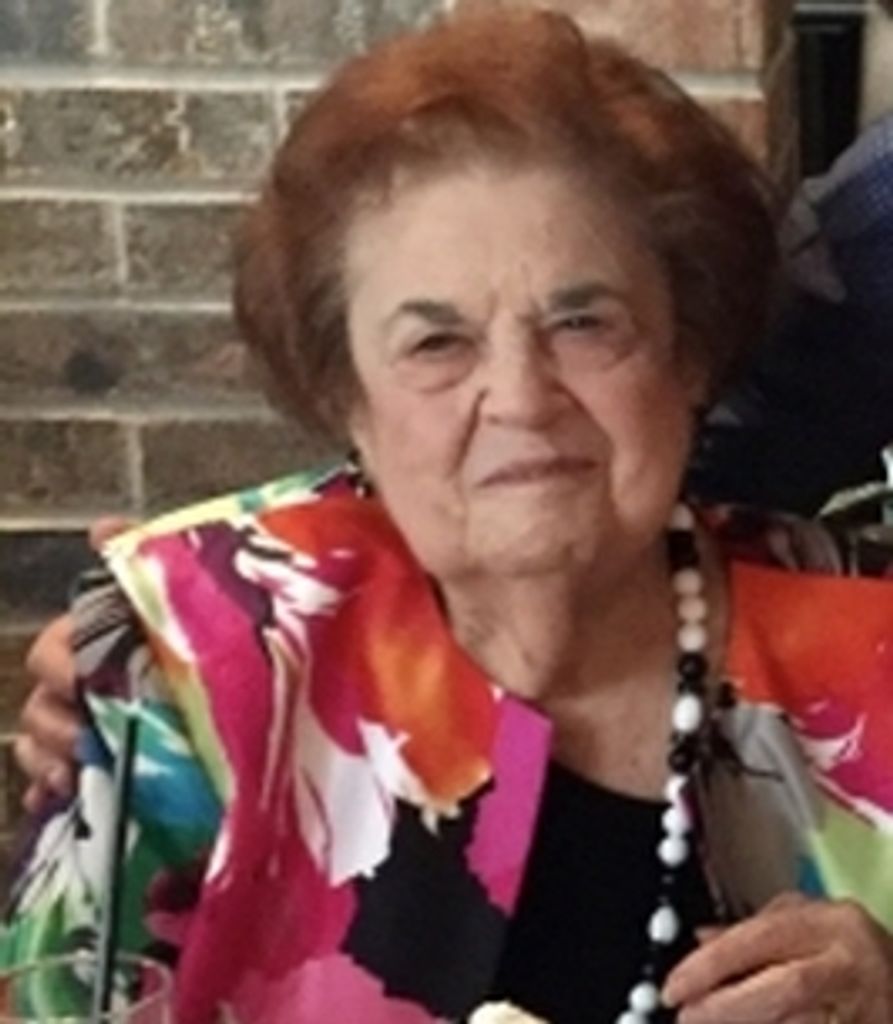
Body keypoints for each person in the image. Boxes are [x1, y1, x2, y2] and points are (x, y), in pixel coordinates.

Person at [4, 10, 893, 1024]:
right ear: (347, 397)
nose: (519, 397)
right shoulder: (195, 677)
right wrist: (173, 602)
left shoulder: (868, 649)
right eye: (435, 344)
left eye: (583, 322)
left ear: (688, 354)